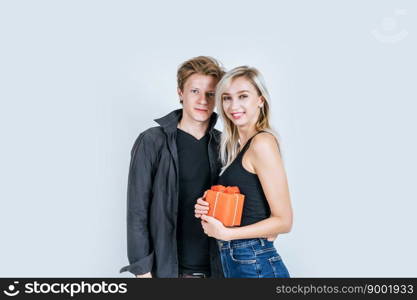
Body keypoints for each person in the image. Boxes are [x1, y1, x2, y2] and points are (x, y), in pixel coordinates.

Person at [120, 56, 225, 278]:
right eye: (195, 91)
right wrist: (142, 272)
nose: (203, 101)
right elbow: (137, 210)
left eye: (210, 94)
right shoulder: (152, 141)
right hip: (168, 272)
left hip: (219, 269)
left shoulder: (224, 145)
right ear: (180, 93)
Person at [194, 66, 293, 278]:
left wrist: (226, 234)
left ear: (260, 99)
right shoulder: (236, 147)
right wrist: (208, 206)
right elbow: (249, 207)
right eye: (227, 98)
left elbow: (284, 221)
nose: (233, 105)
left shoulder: (262, 143)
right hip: (237, 260)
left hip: (254, 261)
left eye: (243, 96)